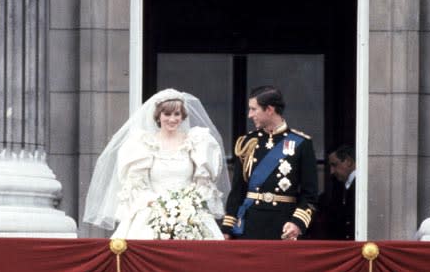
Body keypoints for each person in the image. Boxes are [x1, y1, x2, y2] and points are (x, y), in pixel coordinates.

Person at [82, 88, 230, 239]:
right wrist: (160, 206)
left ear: (183, 116)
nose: (172, 119)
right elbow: (137, 185)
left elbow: (202, 184)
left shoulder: (197, 142)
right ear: (158, 116)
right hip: (152, 210)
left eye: (177, 114)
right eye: (167, 114)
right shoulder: (143, 144)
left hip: (190, 212)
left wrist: (187, 206)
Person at [221, 86, 318, 240]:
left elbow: (310, 195)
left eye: (254, 109)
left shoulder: (301, 143)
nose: (249, 115)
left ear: (270, 109)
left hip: (284, 226)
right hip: (250, 226)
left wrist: (297, 223)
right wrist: (228, 228)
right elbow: (237, 191)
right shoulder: (248, 142)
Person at [311, 145, 356, 240]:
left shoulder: (360, 186)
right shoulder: (341, 184)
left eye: (334, 165)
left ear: (348, 161)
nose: (331, 171)